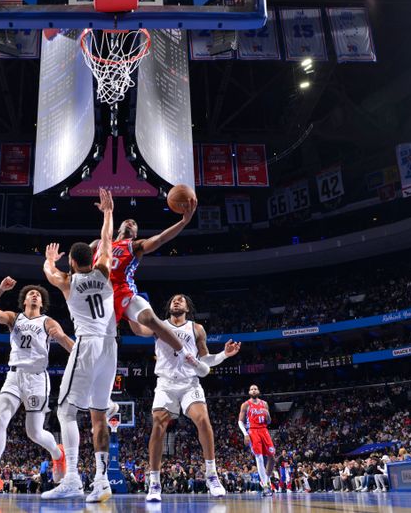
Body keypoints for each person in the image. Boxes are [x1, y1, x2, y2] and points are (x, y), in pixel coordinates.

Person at [41, 188, 117, 503]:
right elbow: (108, 241)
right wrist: (108, 212)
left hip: (86, 345)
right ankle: (102, 481)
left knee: (65, 411)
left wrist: (48, 259)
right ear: (94, 259)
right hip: (111, 347)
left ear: (72, 261)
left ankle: (72, 478)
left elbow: (48, 273)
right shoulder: (105, 271)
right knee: (99, 415)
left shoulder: (68, 281)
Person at [127, 294, 240, 501]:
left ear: (188, 307)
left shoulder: (196, 329)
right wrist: (128, 309)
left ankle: (212, 475)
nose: (176, 301)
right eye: (173, 300)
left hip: (189, 383)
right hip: (166, 383)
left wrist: (224, 354)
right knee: (158, 425)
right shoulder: (158, 324)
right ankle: (154, 482)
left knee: (203, 420)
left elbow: (205, 360)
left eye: (181, 300)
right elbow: (138, 330)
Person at [0, 278, 74, 497]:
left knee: (34, 432)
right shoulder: (13, 318)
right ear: (24, 300)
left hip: (37, 379)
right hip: (13, 376)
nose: (35, 294)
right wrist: (0, 289)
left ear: (42, 301)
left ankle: (58, 454)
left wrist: (80, 356)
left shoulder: (48, 322)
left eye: (38, 293)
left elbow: (65, 340)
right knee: (0, 419)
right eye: (31, 293)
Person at [90, 203, 210, 378]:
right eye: (127, 221)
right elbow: (78, 259)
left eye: (134, 223)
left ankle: (188, 356)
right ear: (118, 227)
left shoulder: (134, 245)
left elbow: (161, 238)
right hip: (102, 299)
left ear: (136, 233)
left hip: (125, 292)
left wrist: (183, 222)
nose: (130, 222)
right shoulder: (98, 244)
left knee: (149, 319)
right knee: (122, 336)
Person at [239, 385, 276, 496]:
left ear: (258, 391)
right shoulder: (245, 404)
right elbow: (240, 421)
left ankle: (266, 479)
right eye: (251, 389)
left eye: (255, 389)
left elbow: (269, 421)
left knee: (272, 458)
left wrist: (267, 413)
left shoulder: (264, 404)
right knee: (259, 457)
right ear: (249, 392)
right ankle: (265, 485)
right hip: (253, 431)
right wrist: (245, 434)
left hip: (264, 430)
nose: (254, 390)